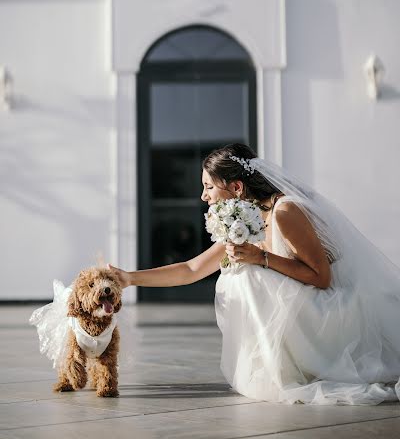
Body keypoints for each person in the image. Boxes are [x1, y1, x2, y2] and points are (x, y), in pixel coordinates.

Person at [109, 143, 400, 405]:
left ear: (236, 188)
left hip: (330, 311)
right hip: (299, 308)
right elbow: (192, 269)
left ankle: (289, 367)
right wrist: (130, 278)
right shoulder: (241, 220)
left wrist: (261, 257)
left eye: (209, 186)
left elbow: (322, 278)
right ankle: (276, 365)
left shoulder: (285, 212)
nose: (203, 196)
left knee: (245, 273)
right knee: (240, 269)